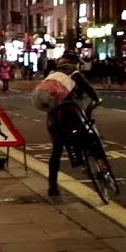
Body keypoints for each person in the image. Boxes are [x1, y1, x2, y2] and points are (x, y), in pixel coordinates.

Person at [45, 53, 101, 197]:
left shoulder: (52, 74)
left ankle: (52, 187)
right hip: (70, 116)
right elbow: (91, 92)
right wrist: (97, 100)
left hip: (53, 118)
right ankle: (85, 160)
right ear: (74, 63)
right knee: (87, 135)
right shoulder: (75, 74)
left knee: (56, 152)